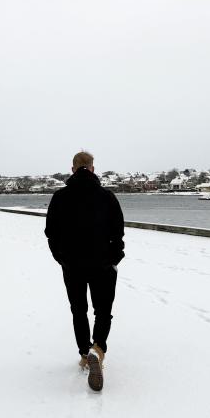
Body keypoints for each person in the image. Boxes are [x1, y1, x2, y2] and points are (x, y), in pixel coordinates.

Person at [44, 151, 125, 392]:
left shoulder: (60, 197)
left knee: (79, 310)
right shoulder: (107, 196)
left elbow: (51, 233)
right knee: (103, 311)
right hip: (103, 265)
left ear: (73, 169)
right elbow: (118, 232)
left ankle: (83, 353)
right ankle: (97, 349)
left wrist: (62, 258)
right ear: (92, 168)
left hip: (72, 265)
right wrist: (114, 259)